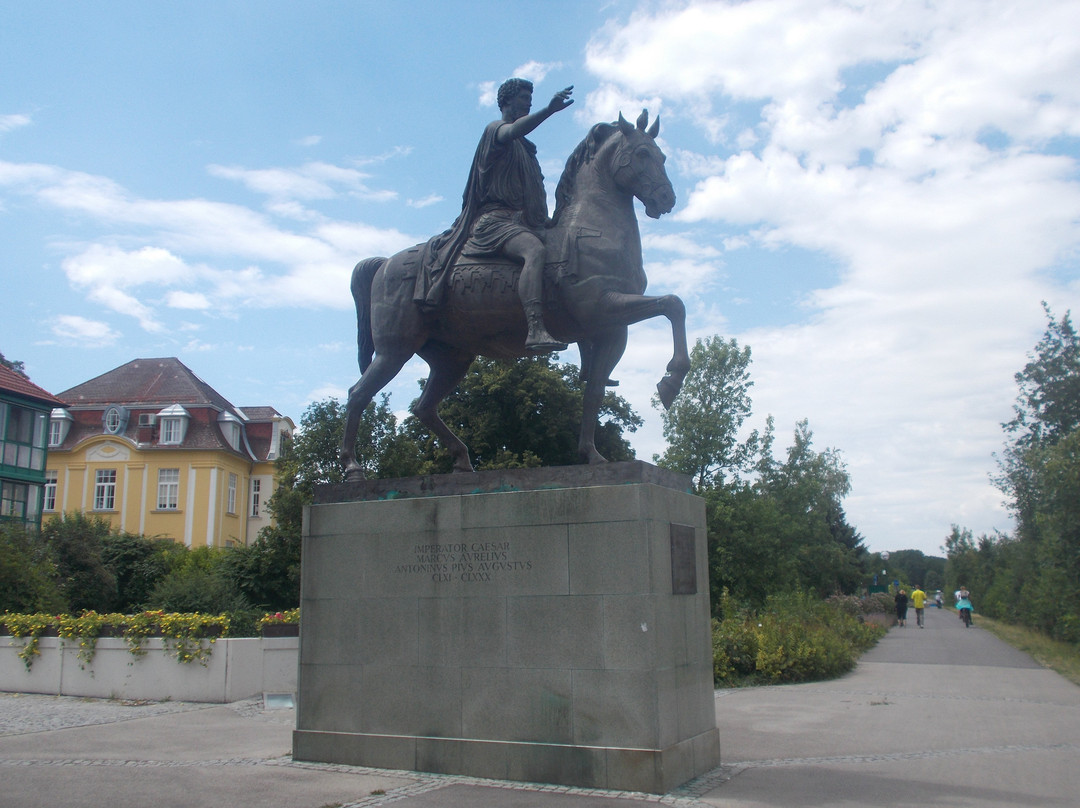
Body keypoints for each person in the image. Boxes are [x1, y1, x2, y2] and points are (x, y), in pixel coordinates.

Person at [416, 78, 574, 352]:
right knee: (534, 251)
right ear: (507, 102)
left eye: (530, 99)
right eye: (524, 98)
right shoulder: (496, 131)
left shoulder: (525, 149)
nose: (528, 103)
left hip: (522, 221)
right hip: (495, 221)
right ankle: (535, 328)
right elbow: (511, 131)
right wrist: (549, 110)